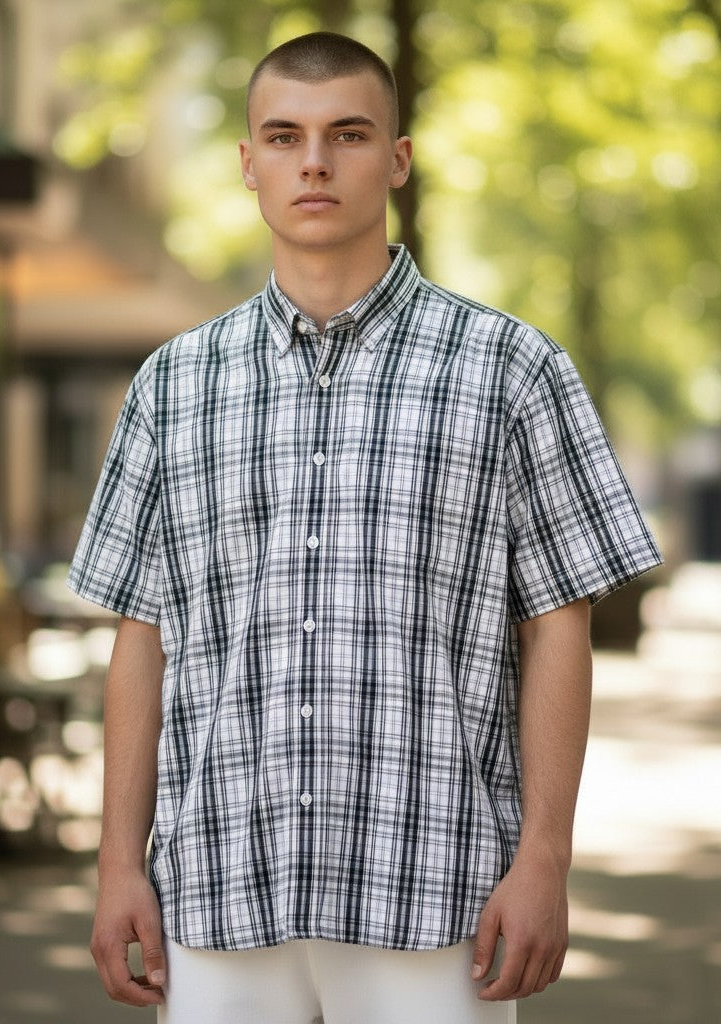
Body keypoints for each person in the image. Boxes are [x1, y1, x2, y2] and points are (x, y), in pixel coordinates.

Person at [69, 30, 662, 1024]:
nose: (313, 161)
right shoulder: (172, 385)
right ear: (247, 163)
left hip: (436, 895)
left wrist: (545, 861)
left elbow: (559, 623)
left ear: (396, 159)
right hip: (218, 885)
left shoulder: (509, 370)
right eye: (284, 136)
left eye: (346, 134)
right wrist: (116, 864)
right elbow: (142, 636)